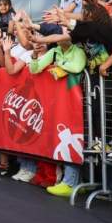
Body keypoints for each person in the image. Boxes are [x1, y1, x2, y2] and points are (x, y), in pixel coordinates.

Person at [29, 33, 87, 197]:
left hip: (79, 100)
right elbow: (35, 68)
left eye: (65, 33)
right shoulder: (54, 52)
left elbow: (77, 67)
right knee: (67, 140)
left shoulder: (78, 50)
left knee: (75, 140)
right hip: (62, 102)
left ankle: (71, 182)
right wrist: (34, 56)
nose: (62, 37)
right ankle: (75, 182)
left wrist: (59, 65)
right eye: (58, 34)